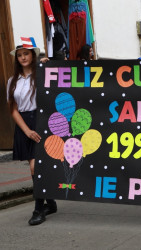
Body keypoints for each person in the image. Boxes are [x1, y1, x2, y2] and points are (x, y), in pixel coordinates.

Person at [7, 37, 57, 226]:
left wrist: (48, 66)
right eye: (19, 55)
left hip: (42, 120)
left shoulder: (42, 74)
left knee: (37, 167)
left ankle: (39, 210)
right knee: (35, 167)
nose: (22, 57)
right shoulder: (12, 81)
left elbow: (57, 83)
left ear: (33, 55)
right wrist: (27, 131)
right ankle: (50, 202)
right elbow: (13, 109)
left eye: (26, 53)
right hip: (24, 124)